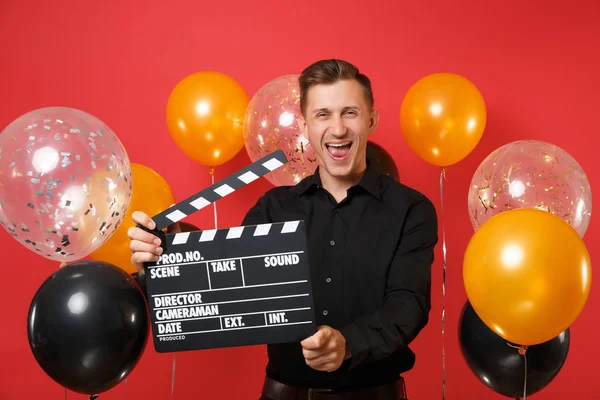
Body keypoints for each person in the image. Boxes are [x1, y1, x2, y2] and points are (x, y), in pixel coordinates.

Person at [128, 59, 438, 399]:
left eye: (349, 112)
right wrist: (161, 265)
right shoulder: (274, 208)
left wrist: (347, 344)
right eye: (323, 115)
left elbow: (408, 304)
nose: (337, 129)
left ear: (371, 120)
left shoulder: (411, 209)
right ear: (305, 127)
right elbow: (231, 288)